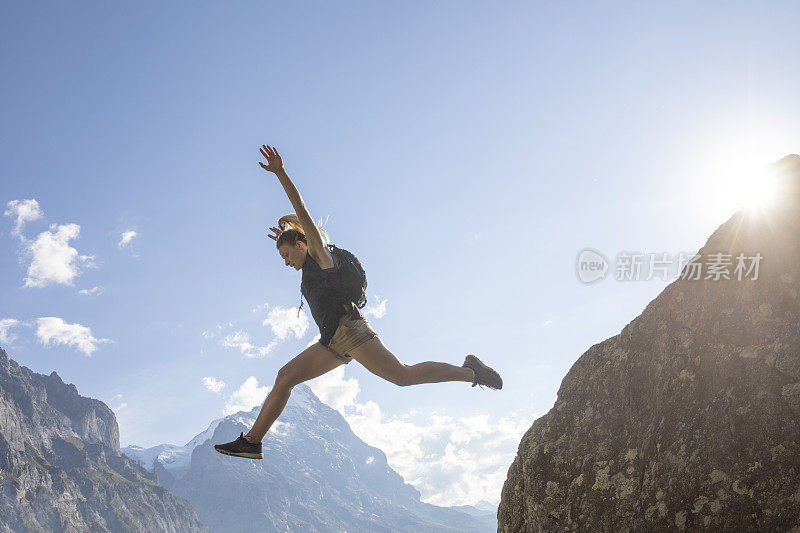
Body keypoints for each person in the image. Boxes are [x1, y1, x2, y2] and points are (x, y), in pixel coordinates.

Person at [214, 145, 502, 460]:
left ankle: (471, 372)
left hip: (350, 331)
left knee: (402, 376)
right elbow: (296, 233)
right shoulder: (310, 262)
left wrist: (281, 173)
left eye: (286, 254)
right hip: (332, 341)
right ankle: (253, 442)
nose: (285, 263)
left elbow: (302, 210)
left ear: (301, 243)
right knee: (285, 377)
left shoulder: (321, 255)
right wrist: (284, 233)